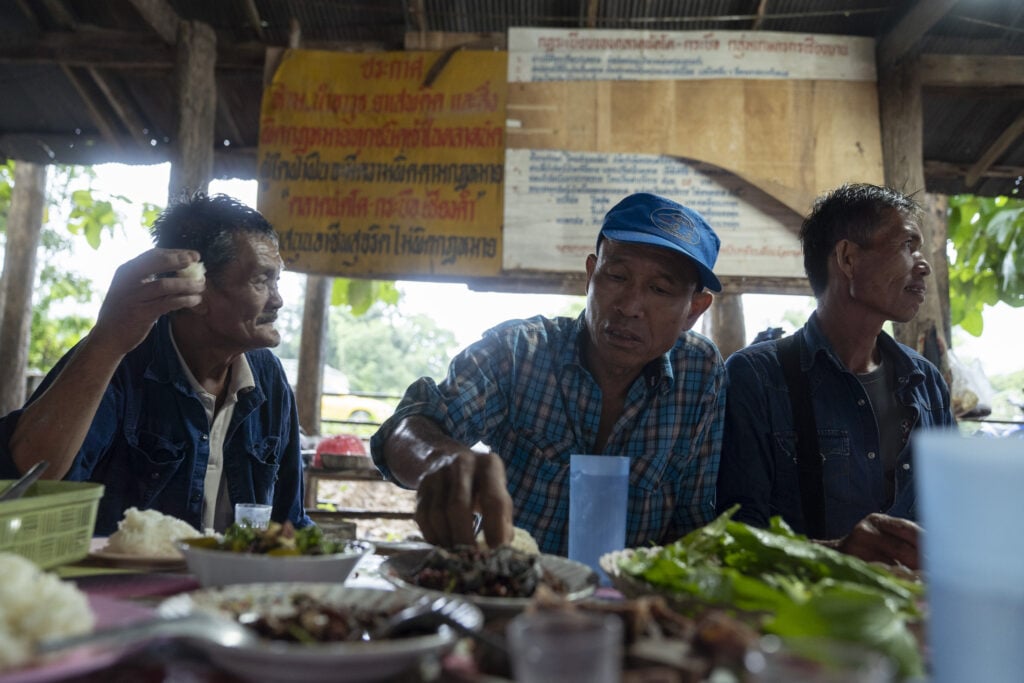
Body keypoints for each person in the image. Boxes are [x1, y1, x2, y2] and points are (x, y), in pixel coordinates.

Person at [370, 192, 725, 554]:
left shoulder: (700, 374)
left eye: (660, 289)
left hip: (630, 600)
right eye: (616, 276)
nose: (630, 306)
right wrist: (438, 459)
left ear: (694, 311)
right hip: (506, 589)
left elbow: (694, 523)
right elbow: (407, 426)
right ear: (590, 275)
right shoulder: (517, 352)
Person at [0, 193, 312, 535]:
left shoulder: (268, 377)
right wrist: (106, 340)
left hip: (233, 589)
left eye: (276, 280)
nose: (278, 300)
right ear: (197, 290)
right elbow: (29, 481)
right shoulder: (117, 358)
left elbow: (288, 522)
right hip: (118, 587)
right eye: (261, 281)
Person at [716, 183, 955, 569]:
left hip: (911, 617)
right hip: (801, 617)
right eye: (907, 246)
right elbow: (736, 535)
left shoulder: (925, 381)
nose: (923, 264)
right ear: (847, 258)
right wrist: (836, 553)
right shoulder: (756, 377)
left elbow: (952, 515)